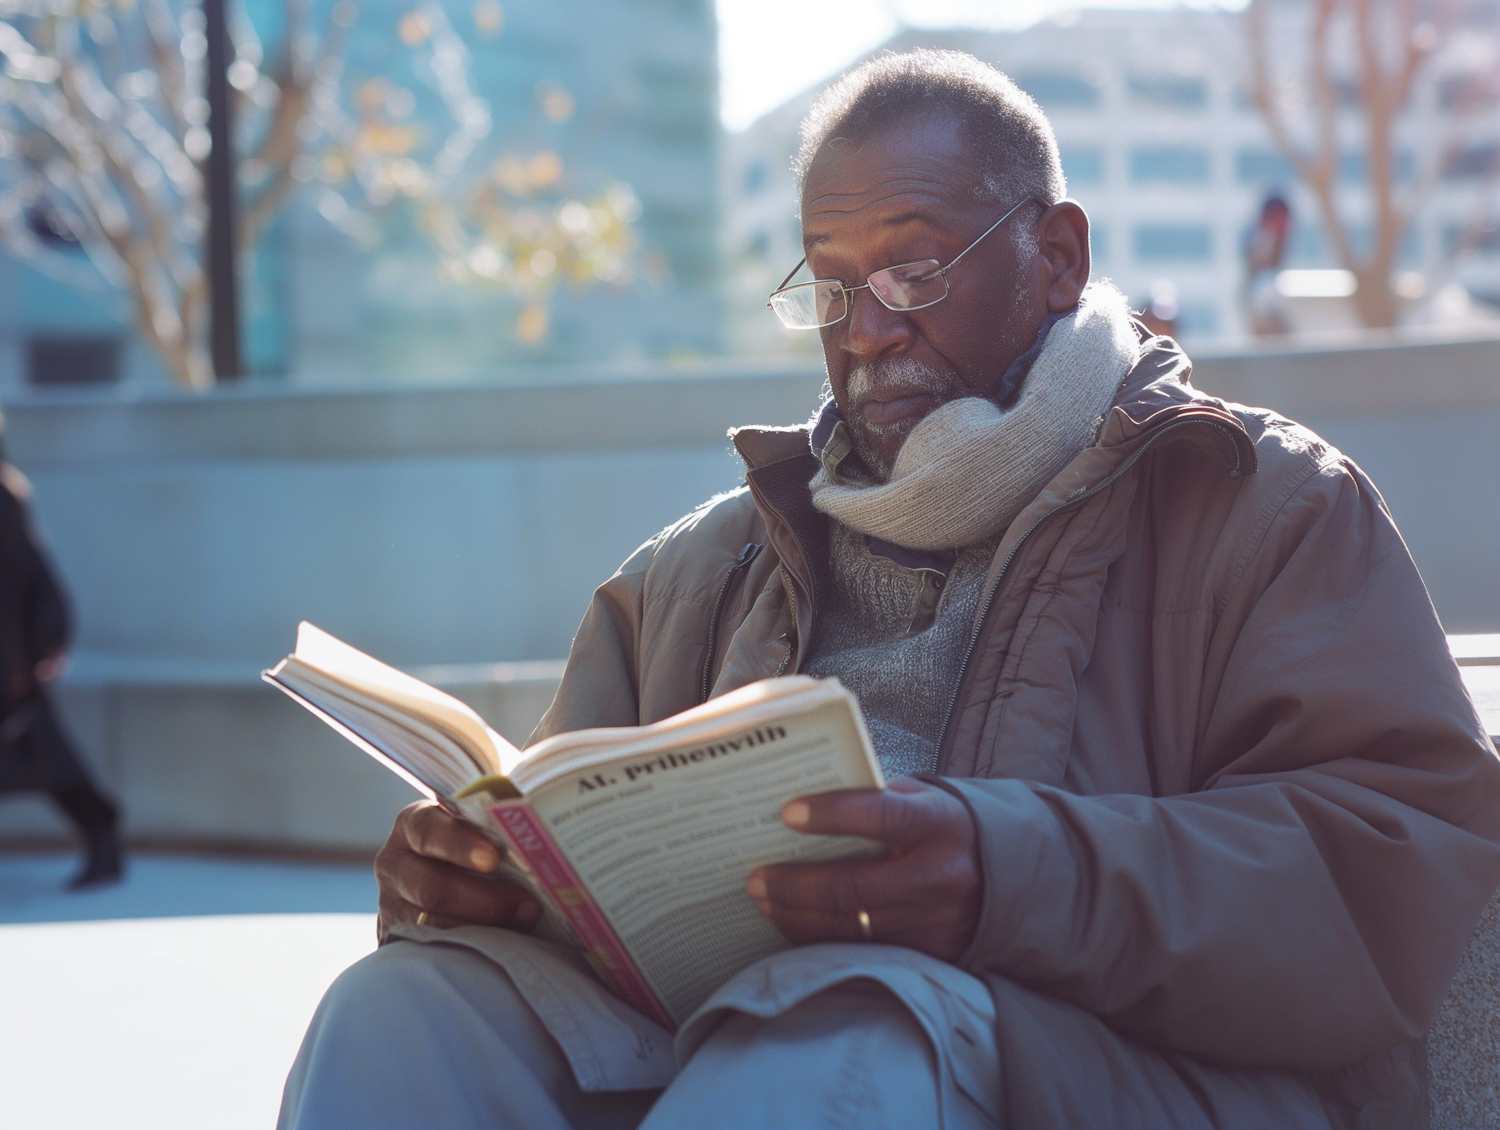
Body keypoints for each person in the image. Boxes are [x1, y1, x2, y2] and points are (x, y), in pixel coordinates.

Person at [279, 50, 1500, 1129]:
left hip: (1090, 1068)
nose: (865, 331)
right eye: (830, 284)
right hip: (715, 1040)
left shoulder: (1261, 505)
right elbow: (556, 836)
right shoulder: (697, 571)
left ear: (1057, 256)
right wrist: (470, 885)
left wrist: (1005, 871)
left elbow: (1395, 863)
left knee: (836, 1016)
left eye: (914, 271)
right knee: (405, 1012)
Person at [0, 439, 122, 889]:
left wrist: (48, 640)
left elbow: (27, 572)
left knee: (53, 763)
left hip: (10, 669)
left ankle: (103, 837)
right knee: (49, 760)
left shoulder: (5, 499)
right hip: (13, 663)